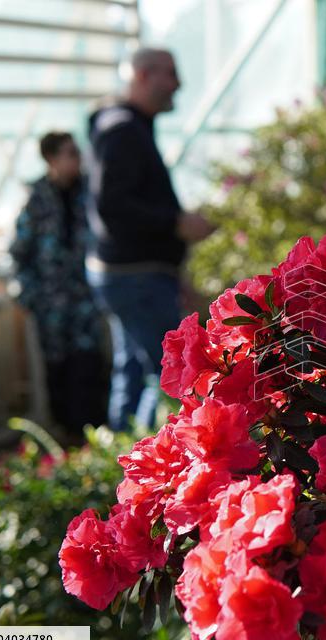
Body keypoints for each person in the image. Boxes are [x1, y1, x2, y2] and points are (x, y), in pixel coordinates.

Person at [85, 47, 214, 432]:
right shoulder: (121, 129)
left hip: (132, 274)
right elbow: (112, 206)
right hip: (135, 276)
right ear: (142, 76)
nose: (178, 84)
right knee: (171, 374)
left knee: (133, 366)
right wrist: (175, 223)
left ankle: (120, 446)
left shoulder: (127, 125)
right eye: (170, 73)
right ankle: (149, 451)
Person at [9, 132, 107, 442]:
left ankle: (92, 435)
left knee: (88, 365)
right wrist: (29, 295)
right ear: (51, 159)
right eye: (70, 153)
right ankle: (65, 438)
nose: (77, 159)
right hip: (50, 304)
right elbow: (19, 252)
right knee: (57, 369)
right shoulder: (37, 199)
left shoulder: (89, 192)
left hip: (85, 300)